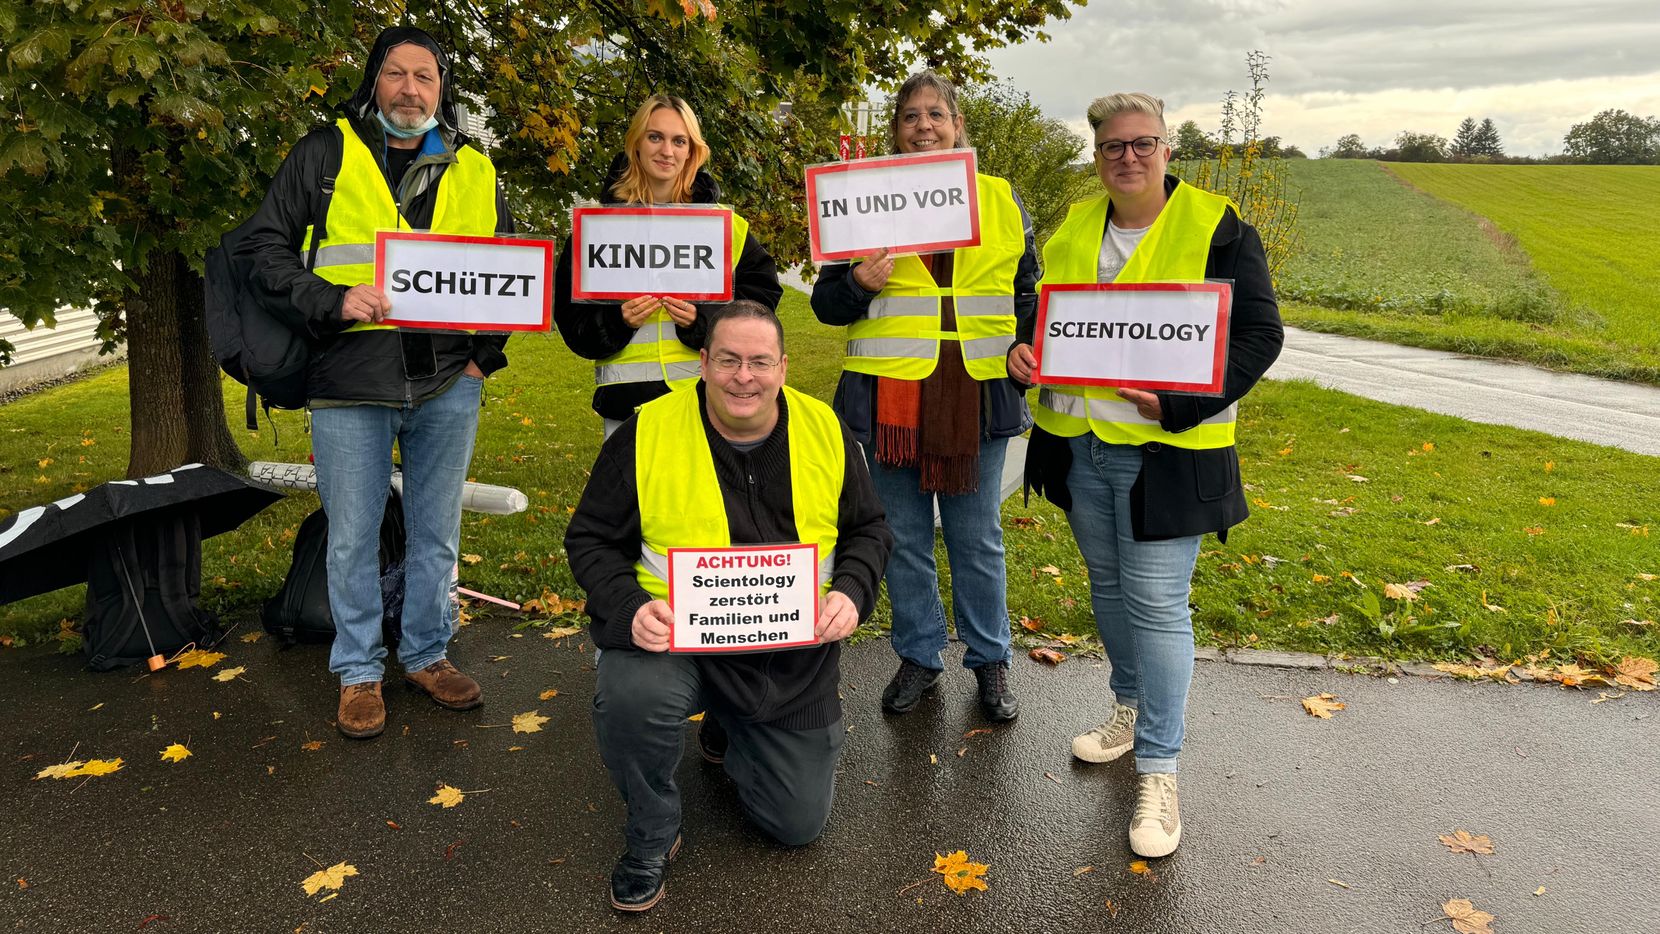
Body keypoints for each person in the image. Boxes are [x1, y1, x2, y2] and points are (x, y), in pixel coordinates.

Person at [1013, 92, 1284, 858]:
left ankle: (1160, 769)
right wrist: (1020, 354)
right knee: (1107, 587)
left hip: (1168, 454)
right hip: (1081, 445)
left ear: (1168, 149)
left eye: (1143, 143)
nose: (1127, 157)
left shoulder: (1217, 227)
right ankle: (1129, 710)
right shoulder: (1074, 227)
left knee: (1159, 604)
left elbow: (1261, 335)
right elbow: (1041, 316)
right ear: (1096, 155)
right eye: (1111, 147)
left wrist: (1182, 401)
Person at [564, 301, 891, 912]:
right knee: (633, 698)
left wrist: (850, 590)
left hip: (789, 657)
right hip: (671, 639)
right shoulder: (649, 429)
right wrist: (629, 604)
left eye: (760, 362)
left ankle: (734, 728)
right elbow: (590, 539)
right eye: (729, 360)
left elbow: (869, 530)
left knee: (795, 825)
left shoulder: (826, 428)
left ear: (784, 367)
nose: (745, 376)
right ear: (703, 363)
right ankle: (653, 832)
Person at [238, 27, 516, 739]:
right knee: (353, 534)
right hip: (348, 378)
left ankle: (426, 653)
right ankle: (358, 671)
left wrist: (486, 354)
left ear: (441, 89)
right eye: (396, 73)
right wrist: (331, 300)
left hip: (448, 381)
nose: (411, 89)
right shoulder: (324, 154)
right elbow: (263, 248)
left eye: (425, 76)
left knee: (436, 533)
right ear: (375, 81)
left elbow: (511, 267)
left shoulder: (475, 169)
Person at [810, 70, 1039, 722]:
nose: (924, 126)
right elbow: (828, 304)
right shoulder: (861, 199)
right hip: (886, 403)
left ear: (957, 126)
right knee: (903, 539)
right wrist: (857, 281)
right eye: (911, 116)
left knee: (977, 540)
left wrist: (1028, 346)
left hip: (976, 398)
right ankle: (918, 655)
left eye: (936, 114)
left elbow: (1028, 291)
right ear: (897, 130)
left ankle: (990, 661)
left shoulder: (1001, 200)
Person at [555, 94, 783, 438]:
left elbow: (761, 304)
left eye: (680, 141)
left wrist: (703, 322)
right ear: (636, 144)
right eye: (655, 137)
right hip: (626, 407)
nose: (667, 151)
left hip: (707, 402)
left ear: (692, 150)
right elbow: (571, 323)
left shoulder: (724, 226)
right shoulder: (596, 228)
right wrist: (617, 322)